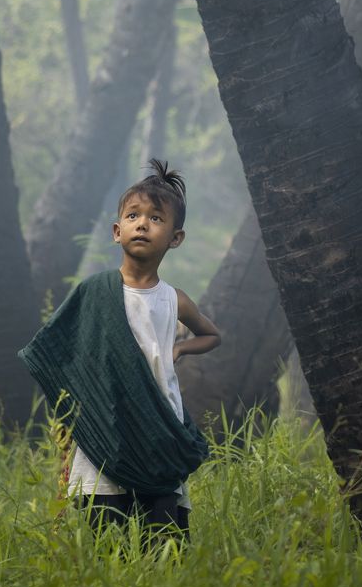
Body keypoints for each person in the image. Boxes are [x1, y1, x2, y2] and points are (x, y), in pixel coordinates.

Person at [19, 158, 221, 538]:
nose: (142, 223)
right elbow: (57, 351)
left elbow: (212, 335)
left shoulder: (175, 300)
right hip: (104, 423)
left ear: (175, 238)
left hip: (158, 427)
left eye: (156, 218)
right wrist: (71, 413)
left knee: (163, 536)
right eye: (133, 215)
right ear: (117, 231)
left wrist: (180, 350)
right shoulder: (94, 291)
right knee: (105, 530)